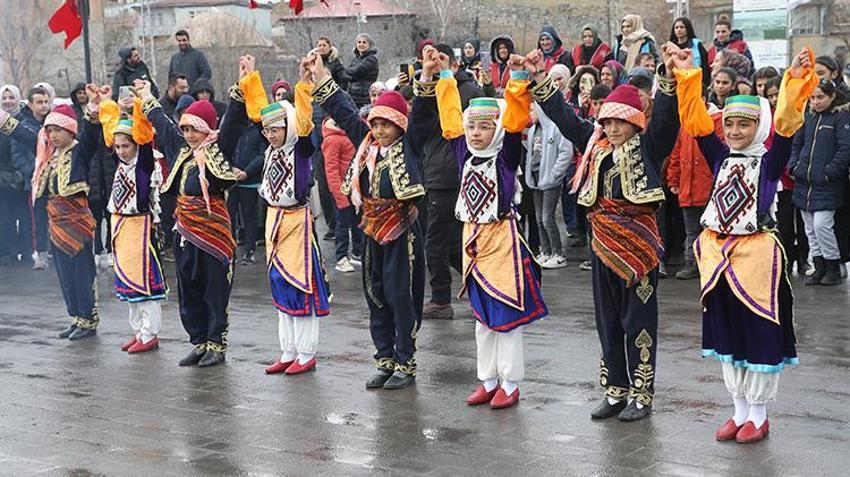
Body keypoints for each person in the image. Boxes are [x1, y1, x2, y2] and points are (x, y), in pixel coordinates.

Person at [532, 42, 681, 422]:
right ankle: (615, 391)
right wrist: (538, 78)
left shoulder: (648, 145)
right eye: (607, 122)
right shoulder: (595, 145)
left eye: (620, 122)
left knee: (639, 323)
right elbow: (565, 119)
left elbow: (665, 121)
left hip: (639, 249)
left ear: (635, 122)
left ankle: (642, 395)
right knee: (607, 321)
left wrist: (668, 78)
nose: (612, 129)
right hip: (602, 247)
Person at [675, 47, 816, 443]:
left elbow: (787, 127)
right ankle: (738, 410)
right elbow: (700, 127)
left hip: (755, 256)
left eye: (744, 125)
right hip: (718, 256)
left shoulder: (770, 161)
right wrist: (689, 76)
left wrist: (793, 80)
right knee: (727, 331)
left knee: (757, 330)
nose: (735, 131)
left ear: (759, 126)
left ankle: (758, 413)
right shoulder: (721, 157)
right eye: (731, 124)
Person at [423, 46, 549, 408]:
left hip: (502, 240)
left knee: (505, 314)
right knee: (481, 317)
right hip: (473, 239)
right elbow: (449, 120)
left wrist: (518, 79)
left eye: (484, 127)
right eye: (472, 126)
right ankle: (488, 379)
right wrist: (444, 75)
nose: (476, 133)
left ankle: (510, 383)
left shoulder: (506, 157)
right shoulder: (464, 154)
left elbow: (514, 124)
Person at [309, 49, 426, 390]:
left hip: (402, 230)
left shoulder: (409, 147)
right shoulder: (366, 147)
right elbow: (345, 112)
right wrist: (321, 78)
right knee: (375, 293)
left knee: (400, 295)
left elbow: (422, 117)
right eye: (375, 123)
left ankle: (406, 360)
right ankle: (385, 357)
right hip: (372, 229)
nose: (379, 129)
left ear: (400, 124)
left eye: (385, 123)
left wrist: (427, 78)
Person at [136, 55, 258, 367]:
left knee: (214, 288)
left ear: (207, 130)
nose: (190, 135)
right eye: (186, 129)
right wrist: (147, 97)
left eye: (195, 130)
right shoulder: (181, 149)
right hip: (184, 229)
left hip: (213, 231)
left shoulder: (219, 148)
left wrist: (243, 81)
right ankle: (199, 340)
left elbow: (233, 119)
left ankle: (216, 342)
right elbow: (161, 124)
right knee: (188, 287)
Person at [1, 89, 103, 340]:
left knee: (82, 272)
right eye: (50, 131)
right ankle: (76, 317)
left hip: (77, 219)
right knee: (64, 273)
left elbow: (91, 134)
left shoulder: (80, 150)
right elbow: (23, 134)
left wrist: (93, 107)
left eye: (59, 130)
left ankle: (89, 320)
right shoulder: (46, 151)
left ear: (70, 131)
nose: (53, 136)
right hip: (55, 219)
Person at [259, 66, 332, 376]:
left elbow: (305, 128)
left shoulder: (300, 151)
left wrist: (303, 87)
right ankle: (287, 350)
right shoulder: (270, 153)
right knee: (279, 284)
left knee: (300, 285)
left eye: (277, 129)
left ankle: (305, 352)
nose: (273, 135)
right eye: (269, 130)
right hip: (274, 220)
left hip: (296, 223)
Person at [96, 92, 167, 353]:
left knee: (144, 286)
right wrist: (106, 104)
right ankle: (138, 331)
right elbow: (109, 135)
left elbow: (145, 139)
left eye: (126, 146)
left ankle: (150, 334)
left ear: (136, 145)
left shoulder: (143, 166)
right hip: (122, 229)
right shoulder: (120, 164)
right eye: (118, 147)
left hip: (140, 229)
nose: (122, 151)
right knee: (129, 286)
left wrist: (138, 104)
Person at [419, 43, 485, 320]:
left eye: (440, 59)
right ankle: (480, 287)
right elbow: (416, 122)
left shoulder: (469, 90)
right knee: (450, 242)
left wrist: (444, 75)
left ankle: (441, 299)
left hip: (450, 173)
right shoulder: (428, 88)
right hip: (435, 171)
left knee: (438, 241)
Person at [789, 78, 850, 286]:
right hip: (804, 182)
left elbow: (845, 148)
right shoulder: (809, 117)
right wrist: (794, 166)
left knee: (822, 225)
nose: (815, 101)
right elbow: (796, 144)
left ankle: (832, 264)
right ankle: (819, 265)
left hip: (826, 182)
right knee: (810, 229)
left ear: (832, 97)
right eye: (812, 97)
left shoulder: (840, 118)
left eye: (820, 97)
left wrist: (829, 172)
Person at [667, 90, 723, 280]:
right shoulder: (685, 123)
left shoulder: (717, 121)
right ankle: (691, 263)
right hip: (688, 188)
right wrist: (673, 179)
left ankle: (710, 264)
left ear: (704, 99)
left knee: (711, 230)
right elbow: (676, 153)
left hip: (709, 187)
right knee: (691, 230)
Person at [526, 84, 574, 269]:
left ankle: (558, 253)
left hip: (550, 180)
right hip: (536, 178)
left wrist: (554, 174)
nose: (530, 113)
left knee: (548, 218)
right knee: (538, 219)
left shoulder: (555, 128)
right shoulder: (532, 131)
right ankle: (545, 251)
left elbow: (565, 152)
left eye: (532, 109)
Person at [11, 87, 50, 270]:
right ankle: (40, 254)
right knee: (38, 218)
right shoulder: (23, 125)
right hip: (35, 181)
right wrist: (34, 172)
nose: (44, 106)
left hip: (55, 179)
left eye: (46, 101)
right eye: (39, 102)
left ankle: (56, 251)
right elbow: (17, 154)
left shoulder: (52, 123)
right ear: (30, 104)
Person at [322, 117, 361, 273]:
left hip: (353, 188)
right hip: (341, 190)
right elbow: (331, 170)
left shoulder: (346, 135)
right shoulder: (332, 140)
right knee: (342, 224)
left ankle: (356, 253)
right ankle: (341, 257)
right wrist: (339, 195)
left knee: (356, 221)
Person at [228, 118, 267, 266]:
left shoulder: (258, 129)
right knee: (230, 216)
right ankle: (230, 250)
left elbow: (262, 154)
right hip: (230, 181)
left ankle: (249, 250)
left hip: (250, 181)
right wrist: (232, 168)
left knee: (250, 215)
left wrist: (247, 172)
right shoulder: (230, 128)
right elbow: (223, 150)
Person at [0, 84, 28, 266]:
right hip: (2, 177)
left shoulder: (25, 119)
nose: (8, 101)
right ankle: (7, 253)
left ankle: (26, 253)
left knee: (25, 218)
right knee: (5, 218)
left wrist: (22, 171)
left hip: (23, 176)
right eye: (5, 98)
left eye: (12, 97)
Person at [341, 33, 380, 108]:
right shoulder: (355, 59)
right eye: (359, 42)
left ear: (369, 45)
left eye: (364, 42)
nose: (361, 44)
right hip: (354, 96)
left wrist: (341, 68)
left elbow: (356, 71)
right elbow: (349, 75)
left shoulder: (371, 59)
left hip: (364, 97)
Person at [670, 17, 710, 85]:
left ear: (688, 29)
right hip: (676, 83)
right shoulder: (670, 47)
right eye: (676, 27)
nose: (679, 30)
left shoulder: (696, 44)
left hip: (696, 81)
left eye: (682, 27)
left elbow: (705, 65)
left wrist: (704, 84)